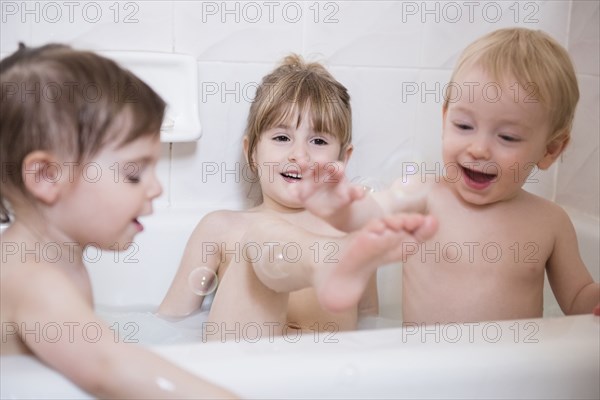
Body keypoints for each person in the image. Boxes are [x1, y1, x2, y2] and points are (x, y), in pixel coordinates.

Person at [293, 28, 600, 323]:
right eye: (464, 126)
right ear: (445, 119)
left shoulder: (551, 223)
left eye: (507, 137)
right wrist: (337, 206)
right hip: (427, 371)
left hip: (512, 374)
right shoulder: (421, 196)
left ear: (550, 149)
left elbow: (578, 299)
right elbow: (367, 216)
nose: (478, 149)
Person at [0, 43, 237, 398]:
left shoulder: (54, 259)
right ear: (48, 176)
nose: (156, 188)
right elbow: (110, 368)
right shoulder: (32, 278)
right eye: (133, 173)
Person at [158, 54, 437, 340]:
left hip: (327, 374)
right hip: (242, 371)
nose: (299, 155)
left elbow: (369, 324)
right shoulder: (220, 229)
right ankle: (306, 259)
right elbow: (170, 325)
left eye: (318, 141)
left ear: (343, 158)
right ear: (251, 152)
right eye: (282, 138)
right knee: (260, 238)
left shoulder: (352, 233)